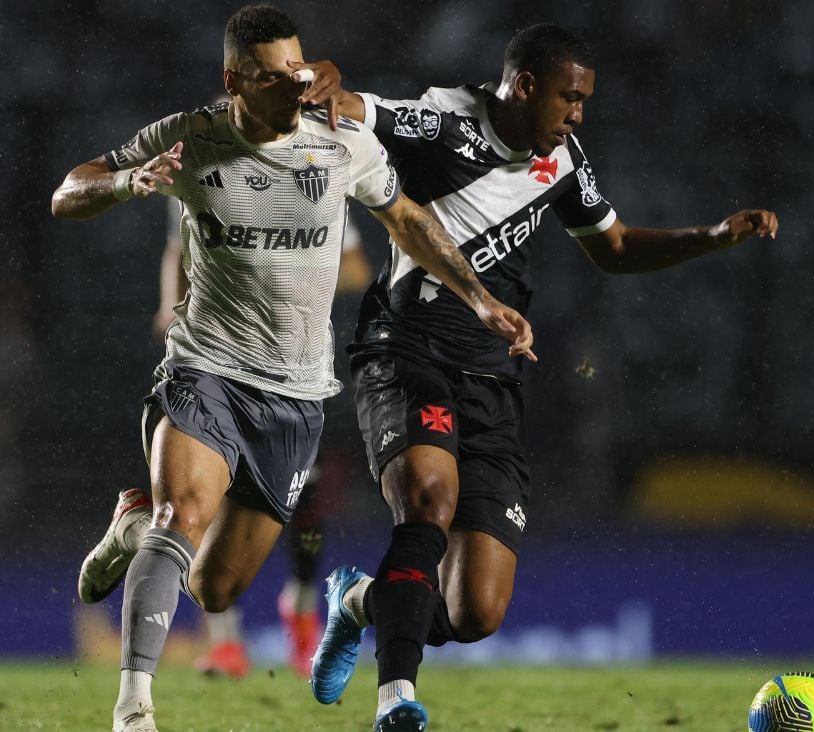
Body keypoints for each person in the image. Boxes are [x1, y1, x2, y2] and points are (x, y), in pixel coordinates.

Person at [51, 6, 535, 731]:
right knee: (183, 516)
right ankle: (133, 709)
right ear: (233, 79)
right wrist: (127, 183)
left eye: (299, 71)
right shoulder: (190, 137)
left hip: (297, 399)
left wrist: (478, 297)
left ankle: (133, 528)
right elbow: (69, 191)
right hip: (205, 367)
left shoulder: (339, 141)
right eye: (273, 77)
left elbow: (406, 219)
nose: (293, 87)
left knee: (215, 588)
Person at [299, 23, 779, 731]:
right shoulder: (444, 123)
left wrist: (710, 237)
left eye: (583, 101)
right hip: (406, 350)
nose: (578, 114)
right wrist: (330, 73)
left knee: (475, 611)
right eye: (569, 98)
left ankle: (358, 602)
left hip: (491, 377)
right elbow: (357, 105)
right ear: (524, 86)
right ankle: (396, 700)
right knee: (429, 496)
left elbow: (612, 247)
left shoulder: (563, 160)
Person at [153, 188, 375, 680]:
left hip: (291, 370)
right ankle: (225, 640)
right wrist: (172, 304)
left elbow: (357, 269)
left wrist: (281, 273)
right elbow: (178, 248)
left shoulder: (314, 179)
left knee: (305, 501)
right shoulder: (198, 172)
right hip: (215, 364)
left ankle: (300, 604)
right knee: (209, 493)